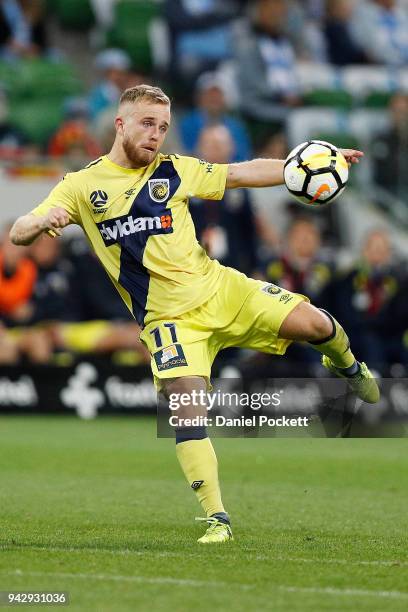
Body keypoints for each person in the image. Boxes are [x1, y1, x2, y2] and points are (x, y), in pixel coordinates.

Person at [10, 84, 379, 545]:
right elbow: (20, 230)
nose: (156, 135)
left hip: (222, 290)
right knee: (185, 410)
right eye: (148, 124)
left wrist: (304, 165)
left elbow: (240, 173)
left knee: (318, 324)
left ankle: (347, 366)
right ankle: (217, 518)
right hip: (168, 323)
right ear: (120, 123)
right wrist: (40, 223)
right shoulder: (81, 186)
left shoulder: (175, 170)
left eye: (163, 127)